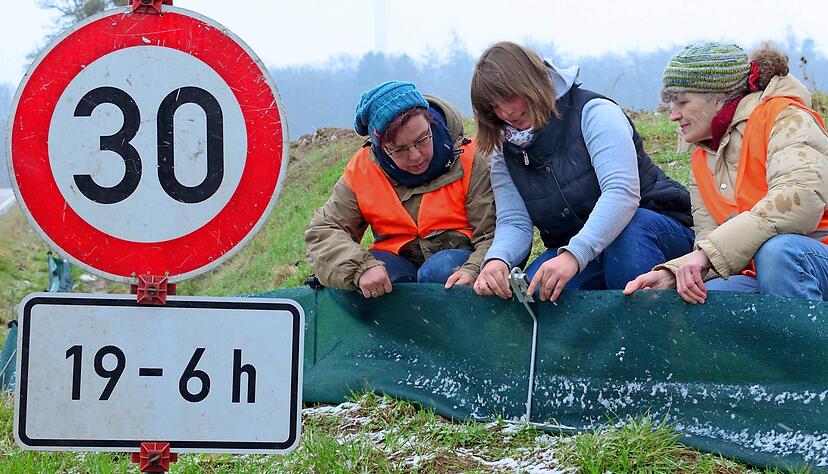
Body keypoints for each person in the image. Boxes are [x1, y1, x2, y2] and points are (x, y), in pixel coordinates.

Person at [470, 41, 694, 302]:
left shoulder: (595, 112)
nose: (506, 112)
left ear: (531, 82)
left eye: (510, 97)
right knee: (540, 291)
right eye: (494, 107)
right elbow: (513, 220)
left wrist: (574, 255)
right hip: (579, 247)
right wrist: (498, 260)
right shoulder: (504, 150)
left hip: (653, 227)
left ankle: (652, 337)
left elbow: (621, 193)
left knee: (629, 241)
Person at [624, 42, 828, 303]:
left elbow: (800, 202)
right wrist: (673, 276)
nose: (673, 116)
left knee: (779, 253)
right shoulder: (701, 158)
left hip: (811, 257)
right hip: (759, 271)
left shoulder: (785, 118)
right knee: (704, 298)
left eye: (683, 102)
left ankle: (808, 344)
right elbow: (712, 245)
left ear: (719, 98)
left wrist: (706, 255)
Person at [305, 81, 495, 298]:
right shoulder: (363, 169)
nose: (415, 156)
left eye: (422, 139)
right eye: (400, 149)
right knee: (367, 284)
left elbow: (494, 233)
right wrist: (360, 268)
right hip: (399, 266)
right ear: (380, 147)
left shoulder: (472, 158)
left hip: (460, 264)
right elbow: (323, 231)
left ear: (430, 121)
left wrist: (474, 268)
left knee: (439, 270)